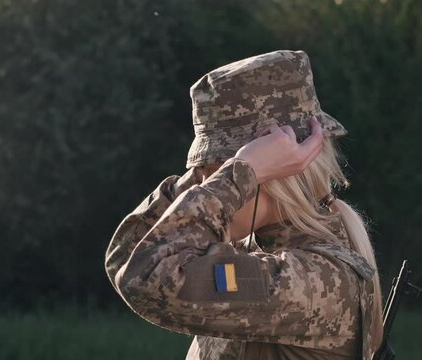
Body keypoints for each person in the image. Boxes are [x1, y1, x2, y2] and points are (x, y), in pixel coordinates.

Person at [105, 50, 383, 360]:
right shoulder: (261, 256)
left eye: (214, 175)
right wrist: (212, 175)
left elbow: (146, 278)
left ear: (272, 173)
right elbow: (130, 257)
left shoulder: (317, 278)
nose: (206, 187)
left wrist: (238, 175)